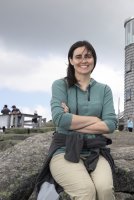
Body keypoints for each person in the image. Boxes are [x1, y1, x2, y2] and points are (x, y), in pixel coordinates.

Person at [35, 40, 118, 200]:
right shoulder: (60, 85)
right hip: (64, 151)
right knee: (86, 192)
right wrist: (95, 119)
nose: (83, 60)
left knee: (105, 190)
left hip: (95, 151)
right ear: (71, 60)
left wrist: (72, 122)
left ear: (94, 59)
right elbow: (60, 119)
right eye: (78, 57)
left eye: (88, 56)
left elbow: (111, 124)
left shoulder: (104, 90)